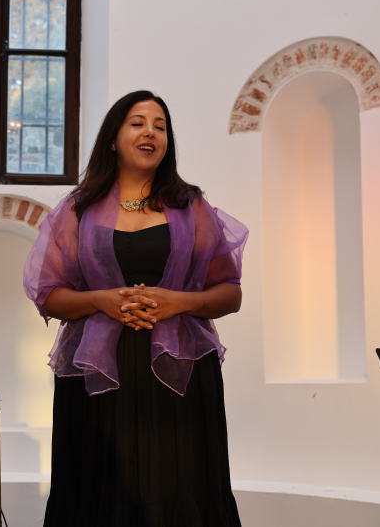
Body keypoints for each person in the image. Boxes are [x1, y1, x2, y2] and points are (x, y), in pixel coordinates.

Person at [24, 91, 248, 526]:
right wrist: (100, 300)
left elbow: (230, 293)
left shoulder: (190, 205)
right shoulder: (79, 208)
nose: (151, 132)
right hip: (95, 377)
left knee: (178, 484)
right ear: (113, 138)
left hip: (179, 375)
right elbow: (48, 294)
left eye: (160, 126)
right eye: (138, 123)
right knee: (98, 488)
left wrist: (177, 302)